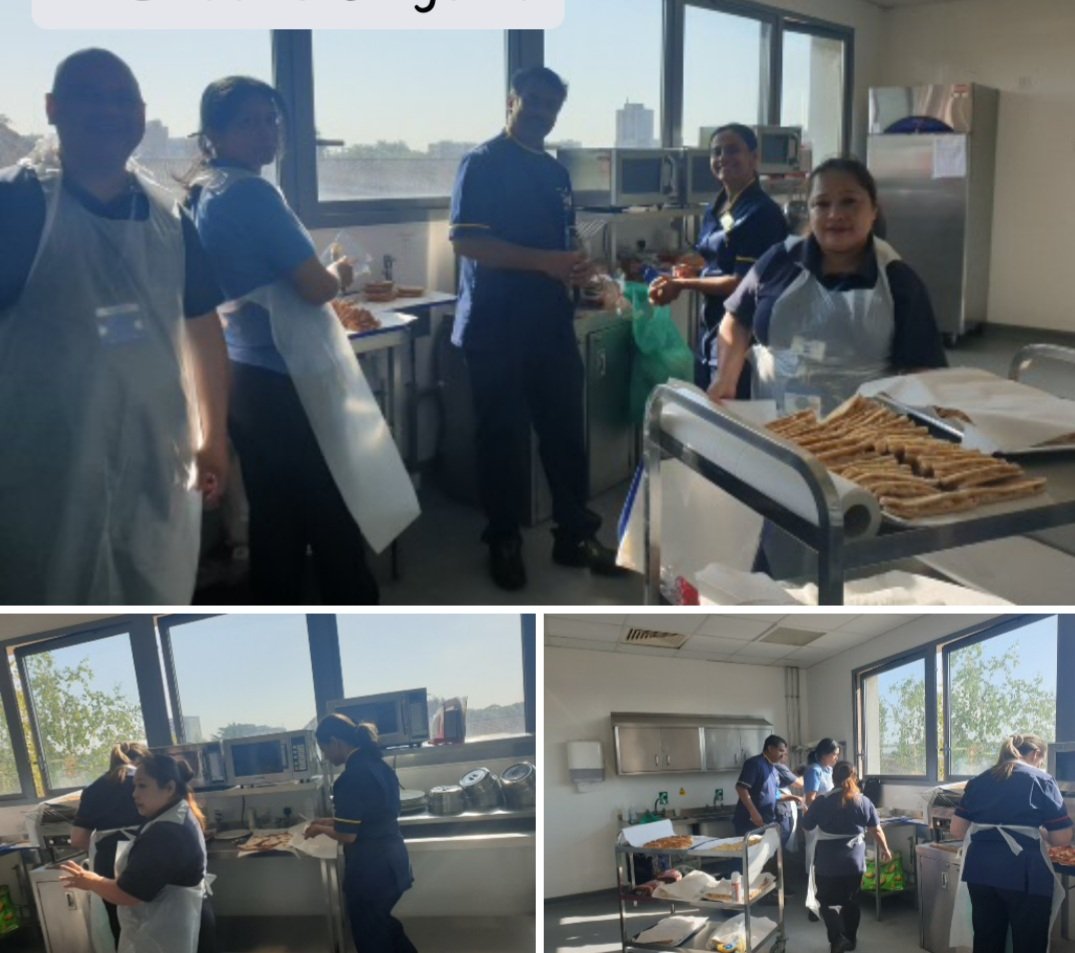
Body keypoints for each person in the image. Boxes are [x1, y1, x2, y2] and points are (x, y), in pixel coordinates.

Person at [0, 48, 230, 605]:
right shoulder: (17, 203)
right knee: (50, 600)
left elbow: (202, 327)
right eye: (89, 97)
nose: (107, 111)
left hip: (156, 454)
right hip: (42, 461)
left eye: (121, 99)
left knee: (151, 589)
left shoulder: (170, 218)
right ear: (52, 108)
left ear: (141, 113)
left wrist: (214, 437)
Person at [187, 76, 416, 605]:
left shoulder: (206, 191)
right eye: (248, 122)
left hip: (244, 374)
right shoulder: (252, 193)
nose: (266, 133)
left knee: (275, 514)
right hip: (286, 380)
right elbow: (314, 287)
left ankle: (279, 598)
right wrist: (339, 269)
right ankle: (354, 605)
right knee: (328, 504)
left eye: (272, 120)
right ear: (213, 134)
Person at [449, 66, 625, 591]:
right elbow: (466, 242)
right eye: (535, 101)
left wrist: (578, 263)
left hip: (549, 323)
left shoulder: (555, 172)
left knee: (566, 433)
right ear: (512, 101)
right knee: (501, 439)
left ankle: (574, 535)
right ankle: (503, 538)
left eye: (553, 105)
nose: (543, 113)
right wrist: (546, 261)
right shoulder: (481, 163)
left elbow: (565, 237)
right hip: (495, 325)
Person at [708, 156, 947, 415]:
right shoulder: (779, 262)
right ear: (810, 211)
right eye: (821, 204)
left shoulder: (897, 280)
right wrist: (726, 378)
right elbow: (736, 319)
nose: (835, 215)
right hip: (773, 426)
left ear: (874, 210)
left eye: (849, 202)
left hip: (861, 438)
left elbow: (921, 367)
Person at [647, 123, 787, 390]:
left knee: (733, 411)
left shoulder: (762, 213)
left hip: (744, 336)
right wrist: (684, 272)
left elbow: (743, 283)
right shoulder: (717, 206)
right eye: (716, 152)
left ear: (754, 158)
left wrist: (683, 284)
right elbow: (712, 259)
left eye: (733, 150)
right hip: (711, 327)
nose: (723, 158)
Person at [60, 753, 217, 953]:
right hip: (180, 921)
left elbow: (127, 894)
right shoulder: (172, 815)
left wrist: (90, 880)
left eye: (142, 786)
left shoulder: (165, 832)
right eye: (135, 786)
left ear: (169, 788)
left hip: (175, 931)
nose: (134, 794)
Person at [949, 733, 1073, 953]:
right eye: (1041, 760)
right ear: (1036, 754)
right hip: (1024, 873)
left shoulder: (979, 781)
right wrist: (1041, 833)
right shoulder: (1041, 780)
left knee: (987, 938)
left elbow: (957, 829)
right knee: (1029, 942)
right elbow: (1062, 838)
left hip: (980, 871)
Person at [305, 715, 417, 953]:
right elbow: (369, 817)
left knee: (371, 939)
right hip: (394, 862)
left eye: (324, 749)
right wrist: (329, 821)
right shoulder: (378, 765)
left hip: (372, 871)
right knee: (383, 927)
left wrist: (318, 829)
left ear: (335, 741)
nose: (325, 756)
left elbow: (348, 835)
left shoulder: (350, 777)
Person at [802, 761, 892, 953]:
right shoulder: (863, 801)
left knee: (825, 901)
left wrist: (806, 813)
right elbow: (876, 830)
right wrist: (885, 849)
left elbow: (807, 826)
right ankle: (850, 939)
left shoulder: (821, 801)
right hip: (854, 863)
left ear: (833, 778)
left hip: (828, 862)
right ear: (855, 778)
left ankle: (837, 938)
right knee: (851, 901)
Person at [71, 742, 149, 950]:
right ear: (141, 761)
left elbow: (77, 839)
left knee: (120, 925)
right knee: (154, 918)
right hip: (145, 855)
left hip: (108, 863)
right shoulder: (147, 784)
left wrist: (107, 847)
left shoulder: (94, 789)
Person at [733, 734, 803, 845]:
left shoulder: (773, 768)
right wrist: (753, 812)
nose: (783, 755)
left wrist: (792, 797)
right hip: (750, 821)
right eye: (780, 751)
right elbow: (741, 788)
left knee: (765, 856)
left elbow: (774, 795)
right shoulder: (755, 763)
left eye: (784, 752)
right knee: (750, 857)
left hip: (766, 821)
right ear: (770, 748)